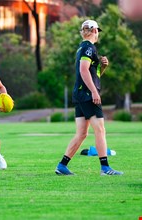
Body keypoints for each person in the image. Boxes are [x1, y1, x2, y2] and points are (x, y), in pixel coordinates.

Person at [55, 20, 123, 176]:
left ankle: (62, 165)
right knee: (100, 129)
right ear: (94, 31)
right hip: (86, 94)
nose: (98, 34)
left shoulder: (83, 48)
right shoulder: (88, 48)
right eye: (97, 31)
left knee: (82, 134)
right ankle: (105, 168)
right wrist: (94, 91)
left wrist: (102, 66)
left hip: (80, 94)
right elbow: (83, 70)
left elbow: (92, 74)